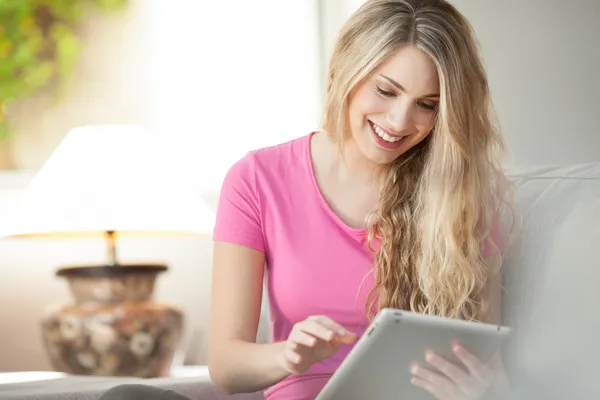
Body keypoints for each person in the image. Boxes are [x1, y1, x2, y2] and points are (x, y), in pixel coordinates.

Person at [208, 1, 515, 399]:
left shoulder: (463, 194)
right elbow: (226, 366)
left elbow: (488, 360)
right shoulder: (256, 179)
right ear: (347, 72)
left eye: (428, 105)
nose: (400, 121)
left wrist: (490, 391)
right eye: (386, 91)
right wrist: (290, 357)